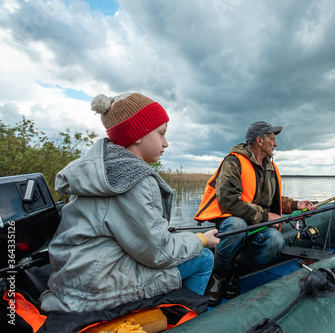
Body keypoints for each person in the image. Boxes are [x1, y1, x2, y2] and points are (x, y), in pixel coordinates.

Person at [40, 92, 219, 313]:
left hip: (76, 279)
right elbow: (159, 253)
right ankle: (187, 318)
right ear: (137, 134)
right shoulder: (135, 179)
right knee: (203, 258)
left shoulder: (103, 171)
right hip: (99, 287)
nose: (166, 143)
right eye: (161, 133)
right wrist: (200, 239)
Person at [194, 121, 316, 306]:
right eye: (272, 139)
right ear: (259, 140)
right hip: (234, 220)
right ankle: (218, 275)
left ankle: (234, 268)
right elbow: (229, 202)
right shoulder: (233, 162)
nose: (275, 144)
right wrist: (267, 217)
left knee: (275, 240)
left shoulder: (270, 168)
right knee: (238, 226)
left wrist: (295, 204)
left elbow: (272, 200)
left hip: (256, 224)